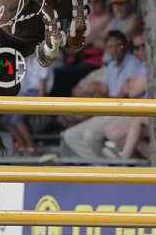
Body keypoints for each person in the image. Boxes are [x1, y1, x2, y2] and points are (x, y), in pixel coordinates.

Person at [60, 30, 141, 159]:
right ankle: (104, 167)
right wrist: (97, 93)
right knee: (70, 135)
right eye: (110, 47)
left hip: (122, 110)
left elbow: (124, 96)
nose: (115, 50)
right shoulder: (112, 65)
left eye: (118, 46)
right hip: (107, 109)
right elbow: (102, 90)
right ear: (106, 48)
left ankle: (110, 167)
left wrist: (101, 97)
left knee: (90, 135)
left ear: (125, 46)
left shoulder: (133, 63)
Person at [51, 0, 112, 96]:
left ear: (103, 2)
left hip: (93, 62)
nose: (92, 4)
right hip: (78, 60)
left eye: (96, 1)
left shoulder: (106, 17)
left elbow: (82, 40)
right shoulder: (88, 17)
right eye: (89, 1)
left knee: (58, 75)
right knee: (53, 74)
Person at [103, 34, 150, 160]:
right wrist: (128, 86)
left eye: (144, 45)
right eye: (136, 47)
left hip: (150, 112)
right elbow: (124, 89)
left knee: (117, 131)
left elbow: (132, 92)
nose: (141, 50)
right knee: (112, 131)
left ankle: (124, 159)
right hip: (136, 110)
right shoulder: (142, 65)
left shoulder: (148, 65)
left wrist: (129, 85)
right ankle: (151, 162)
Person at [0, 53, 54, 156]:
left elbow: (42, 83)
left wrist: (40, 103)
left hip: (37, 94)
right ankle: (22, 146)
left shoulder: (43, 60)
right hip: (27, 94)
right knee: (5, 120)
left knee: (16, 120)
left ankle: (31, 147)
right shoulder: (29, 61)